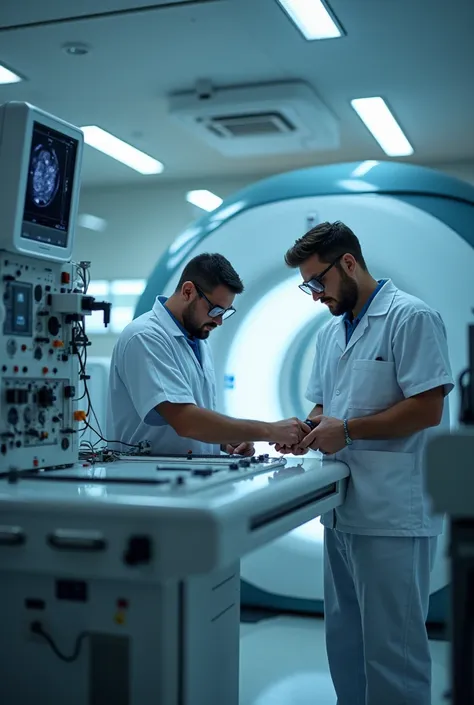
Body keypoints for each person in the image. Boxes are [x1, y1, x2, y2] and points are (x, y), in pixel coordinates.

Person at [279, 221, 454, 705]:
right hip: (342, 510)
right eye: (307, 285)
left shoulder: (412, 317)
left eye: (318, 282)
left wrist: (348, 430)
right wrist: (307, 429)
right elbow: (324, 405)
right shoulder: (330, 333)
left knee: (392, 654)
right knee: (346, 644)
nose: (314, 295)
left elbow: (427, 408)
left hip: (394, 512)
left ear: (349, 264)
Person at [106, 252, 308, 456]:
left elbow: (195, 417)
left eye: (225, 313)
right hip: (144, 480)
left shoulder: (198, 339)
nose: (219, 321)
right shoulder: (145, 337)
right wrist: (270, 430)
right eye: (215, 311)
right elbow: (186, 421)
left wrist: (225, 442)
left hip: (187, 475)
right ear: (187, 291)